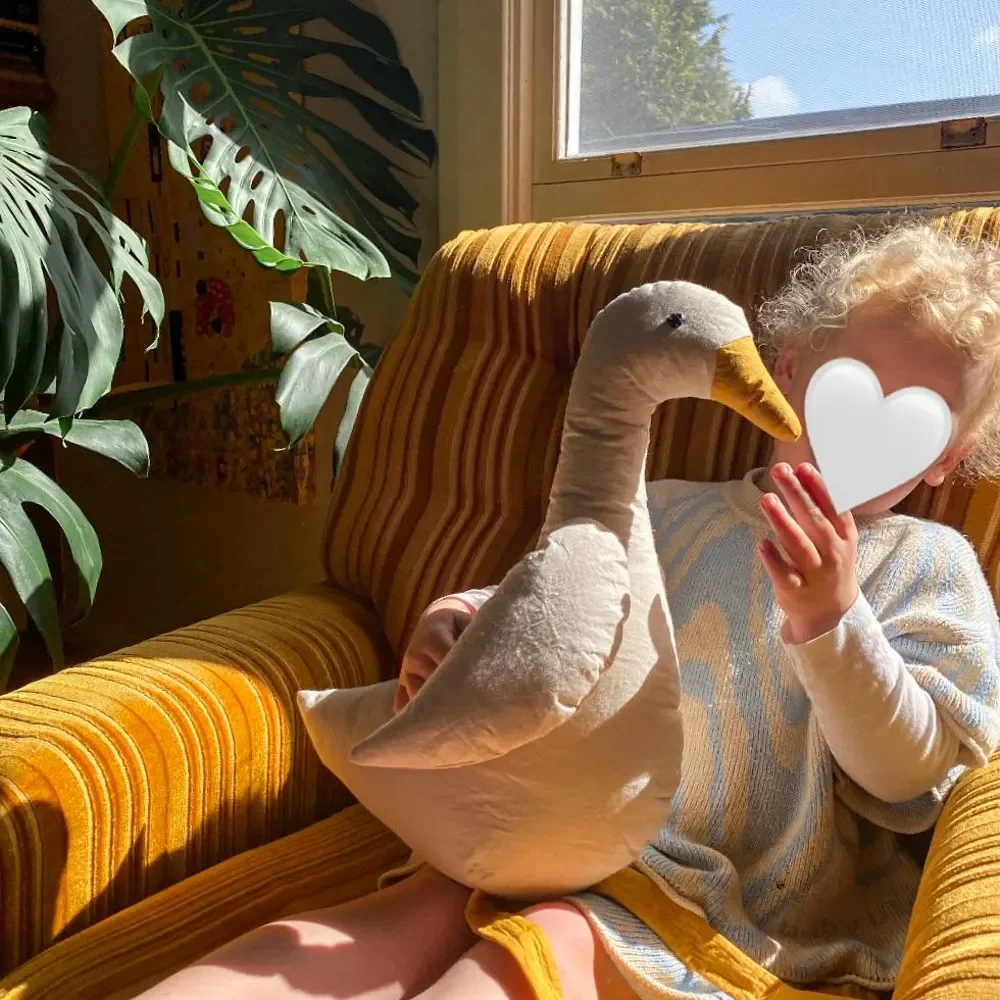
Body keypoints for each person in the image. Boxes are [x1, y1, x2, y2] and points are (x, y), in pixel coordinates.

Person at [137, 223, 1000, 999]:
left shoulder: (929, 564)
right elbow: (557, 603)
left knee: (538, 947)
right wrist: (461, 617)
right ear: (788, 372)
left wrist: (833, 621)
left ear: (946, 458)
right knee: (379, 925)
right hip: (548, 825)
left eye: (915, 422)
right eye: (846, 388)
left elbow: (913, 776)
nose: (854, 436)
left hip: (724, 892)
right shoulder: (665, 507)